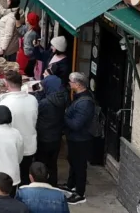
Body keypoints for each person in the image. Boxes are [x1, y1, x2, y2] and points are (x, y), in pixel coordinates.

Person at [0, 70, 39, 185]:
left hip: (13, 148)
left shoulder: (5, 104)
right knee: (25, 177)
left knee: (11, 179)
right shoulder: (33, 100)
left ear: (6, 84)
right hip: (29, 146)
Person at [63, 72, 95, 204]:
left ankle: (80, 193)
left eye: (71, 82)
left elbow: (76, 124)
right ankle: (70, 185)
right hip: (74, 138)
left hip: (81, 139)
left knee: (80, 165)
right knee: (73, 161)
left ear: (78, 84)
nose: (69, 84)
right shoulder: (79, 97)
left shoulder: (85, 102)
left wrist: (63, 116)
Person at [33, 75, 69, 187]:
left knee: (41, 162)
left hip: (44, 137)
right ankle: (53, 183)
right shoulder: (64, 98)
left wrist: (38, 93)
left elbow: (36, 109)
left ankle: (41, 183)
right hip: (56, 136)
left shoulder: (45, 103)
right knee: (53, 163)